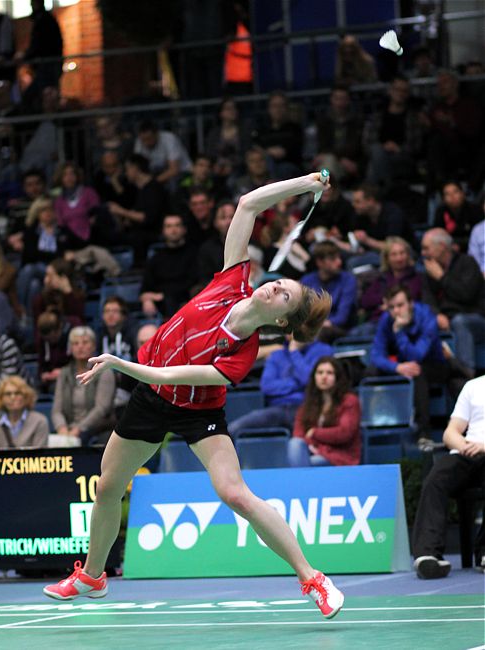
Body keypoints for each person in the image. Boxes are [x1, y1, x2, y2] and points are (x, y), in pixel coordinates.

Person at [43, 171, 345, 619]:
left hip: (195, 410)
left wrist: (121, 364)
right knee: (107, 486)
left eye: (285, 296)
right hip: (152, 397)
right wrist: (308, 183)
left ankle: (312, 577)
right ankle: (92, 576)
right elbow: (247, 203)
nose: (277, 286)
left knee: (234, 493)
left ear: (281, 322)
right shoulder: (232, 279)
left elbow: (176, 374)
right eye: (282, 282)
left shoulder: (240, 356)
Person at [412, 374, 485, 579]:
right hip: (467, 452)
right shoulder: (474, 386)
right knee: (436, 479)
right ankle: (427, 555)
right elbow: (451, 432)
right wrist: (464, 446)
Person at [368, 284, 451, 442]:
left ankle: (424, 433)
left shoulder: (426, 317)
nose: (396, 311)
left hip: (434, 365)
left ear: (411, 303)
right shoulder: (387, 319)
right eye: (391, 307)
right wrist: (397, 367)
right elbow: (376, 355)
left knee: (417, 372)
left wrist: (399, 332)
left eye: (400, 305)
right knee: (371, 371)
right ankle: (377, 430)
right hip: (404, 366)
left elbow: (417, 355)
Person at [228, 335, 333, 438]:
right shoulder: (277, 355)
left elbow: (312, 382)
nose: (288, 331)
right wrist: (298, 383)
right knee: (232, 429)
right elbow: (267, 386)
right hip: (277, 409)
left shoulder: (322, 350)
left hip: (307, 408)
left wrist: (294, 352)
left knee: (301, 440)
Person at [421, 228, 485, 376]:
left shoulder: (467, 262)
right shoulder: (429, 270)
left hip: (476, 319)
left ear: (442, 246)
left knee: (460, 321)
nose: (423, 253)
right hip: (446, 319)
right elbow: (427, 298)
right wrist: (437, 315)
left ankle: (466, 372)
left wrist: (442, 277)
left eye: (426, 248)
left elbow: (466, 295)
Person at [289, 356, 361, 467]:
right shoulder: (306, 405)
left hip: (340, 456)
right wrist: (312, 444)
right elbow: (298, 434)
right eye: (320, 373)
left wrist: (315, 433)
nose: (324, 377)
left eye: (329, 373)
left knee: (308, 464)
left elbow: (344, 433)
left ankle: (299, 482)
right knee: (295, 444)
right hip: (313, 452)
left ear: (337, 378)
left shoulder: (350, 401)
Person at [51, 326, 116, 446]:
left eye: (85, 342)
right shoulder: (64, 373)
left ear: (94, 346)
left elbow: (101, 409)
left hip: (96, 429)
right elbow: (56, 410)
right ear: (70, 348)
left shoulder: (104, 371)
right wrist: (62, 428)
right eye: (75, 343)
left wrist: (79, 429)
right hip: (68, 430)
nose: (80, 346)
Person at [356, 236, 423, 335]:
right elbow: (366, 301)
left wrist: (389, 305)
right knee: (355, 333)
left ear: (408, 255)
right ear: (387, 258)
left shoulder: (417, 278)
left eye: (402, 253)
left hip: (407, 321)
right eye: (394, 254)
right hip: (378, 320)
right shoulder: (382, 278)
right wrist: (385, 301)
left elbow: (413, 298)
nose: (399, 258)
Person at [139, 214, 199, 319]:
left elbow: (194, 284)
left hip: (188, 303)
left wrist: (164, 295)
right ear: (163, 231)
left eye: (177, 225)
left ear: (184, 229)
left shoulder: (194, 254)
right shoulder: (155, 259)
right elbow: (144, 291)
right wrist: (147, 300)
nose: (173, 230)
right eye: (169, 226)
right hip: (162, 307)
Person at [300, 241, 357, 342]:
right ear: (319, 262)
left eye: (339, 257)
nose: (339, 262)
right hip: (312, 325)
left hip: (338, 329)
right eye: (333, 259)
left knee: (319, 332)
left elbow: (342, 317)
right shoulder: (307, 280)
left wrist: (318, 324)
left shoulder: (348, 280)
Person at [0, 375, 49, 449]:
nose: (13, 397)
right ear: (1, 398)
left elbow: (40, 456)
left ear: (26, 396)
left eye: (18, 393)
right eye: (8, 394)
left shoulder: (39, 421)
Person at [133, 120, 192, 188]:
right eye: (143, 140)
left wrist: (151, 183)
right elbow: (136, 166)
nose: (146, 143)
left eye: (149, 139)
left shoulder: (169, 139)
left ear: (156, 134)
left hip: (182, 172)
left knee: (171, 182)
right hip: (157, 173)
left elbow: (174, 170)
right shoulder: (139, 142)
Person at [432, 180, 482, 253]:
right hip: (448, 250)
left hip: (472, 248)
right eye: (447, 194)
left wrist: (460, 245)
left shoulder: (475, 210)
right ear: (443, 199)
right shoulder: (441, 212)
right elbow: (437, 234)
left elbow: (481, 235)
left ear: (462, 194)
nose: (452, 196)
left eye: (455, 192)